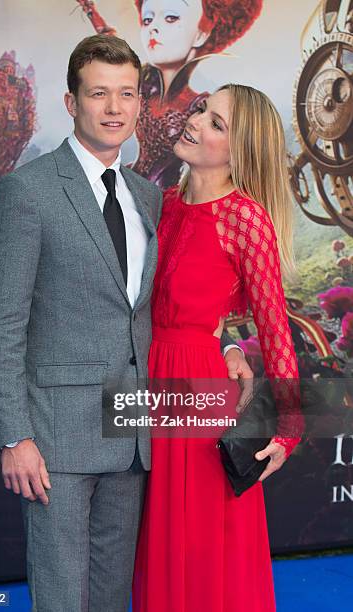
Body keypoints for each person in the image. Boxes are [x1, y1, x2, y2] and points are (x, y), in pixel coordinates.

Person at [0, 35, 250, 612]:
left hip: (134, 435)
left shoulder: (149, 198)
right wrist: (13, 436)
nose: (114, 107)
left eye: (126, 93)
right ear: (71, 101)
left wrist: (224, 343)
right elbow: (1, 326)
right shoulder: (27, 192)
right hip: (56, 442)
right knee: (61, 598)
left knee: (110, 598)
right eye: (98, 93)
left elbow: (167, 301)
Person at [132, 84, 304, 611]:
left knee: (200, 551)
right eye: (203, 108)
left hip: (198, 400)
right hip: (143, 384)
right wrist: (225, 342)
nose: (196, 120)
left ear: (238, 150)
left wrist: (289, 429)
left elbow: (275, 329)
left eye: (217, 123)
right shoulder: (156, 204)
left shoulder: (245, 218)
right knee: (149, 544)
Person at [75, 0, 262, 188]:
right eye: (147, 20)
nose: (153, 29)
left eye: (171, 18)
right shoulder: (144, 84)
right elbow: (111, 41)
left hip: (165, 202)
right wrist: (90, 10)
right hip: (128, 183)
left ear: (202, 34)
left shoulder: (200, 107)